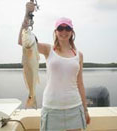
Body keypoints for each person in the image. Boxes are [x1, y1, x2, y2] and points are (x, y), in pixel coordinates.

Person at [18, 2, 91, 131]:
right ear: (56, 32)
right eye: (60, 28)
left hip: (74, 106)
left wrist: (85, 109)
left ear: (72, 32)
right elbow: (21, 41)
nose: (64, 31)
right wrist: (26, 14)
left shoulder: (79, 55)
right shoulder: (48, 49)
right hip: (51, 107)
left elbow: (80, 83)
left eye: (67, 28)